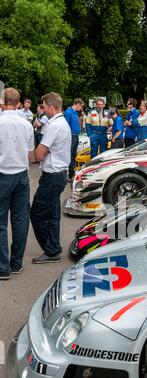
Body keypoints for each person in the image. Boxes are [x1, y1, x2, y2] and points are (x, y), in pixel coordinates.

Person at [31, 92, 71, 264]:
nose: (43, 109)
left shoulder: (54, 125)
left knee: (37, 213)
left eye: (45, 106)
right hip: (59, 174)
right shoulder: (62, 122)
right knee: (53, 214)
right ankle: (53, 247)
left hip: (53, 176)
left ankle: (51, 249)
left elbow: (39, 154)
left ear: (52, 107)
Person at [0, 88, 34, 280]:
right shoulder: (26, 124)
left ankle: (2, 267)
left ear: (3, 102)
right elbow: (30, 152)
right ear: (19, 103)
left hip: (3, 174)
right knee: (20, 219)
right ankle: (16, 263)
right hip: (21, 175)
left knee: (0, 222)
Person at [64, 98, 84, 179]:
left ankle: (71, 175)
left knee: (73, 155)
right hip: (71, 136)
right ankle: (65, 176)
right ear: (77, 104)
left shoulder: (75, 113)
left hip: (76, 136)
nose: (81, 108)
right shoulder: (68, 112)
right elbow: (65, 125)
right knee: (68, 156)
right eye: (81, 106)